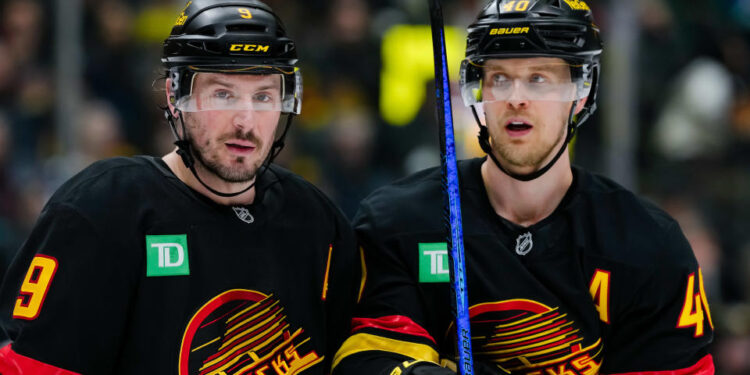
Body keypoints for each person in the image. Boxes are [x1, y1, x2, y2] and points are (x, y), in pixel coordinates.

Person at [332, 1, 715, 374]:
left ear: (581, 92)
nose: (516, 98)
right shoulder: (400, 221)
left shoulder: (648, 245)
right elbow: (368, 357)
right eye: (499, 78)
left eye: (539, 78)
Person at [0, 0, 358, 373]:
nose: (246, 120)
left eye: (264, 96)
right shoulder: (101, 211)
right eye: (223, 93)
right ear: (174, 96)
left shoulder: (317, 220)